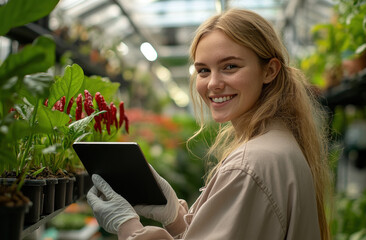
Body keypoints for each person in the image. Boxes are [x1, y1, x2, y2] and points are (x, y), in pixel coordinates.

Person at [87, 8, 333, 240]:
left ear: (269, 71)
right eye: (203, 70)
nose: (213, 83)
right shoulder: (277, 144)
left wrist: (128, 226)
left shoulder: (250, 164)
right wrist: (175, 215)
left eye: (230, 66)